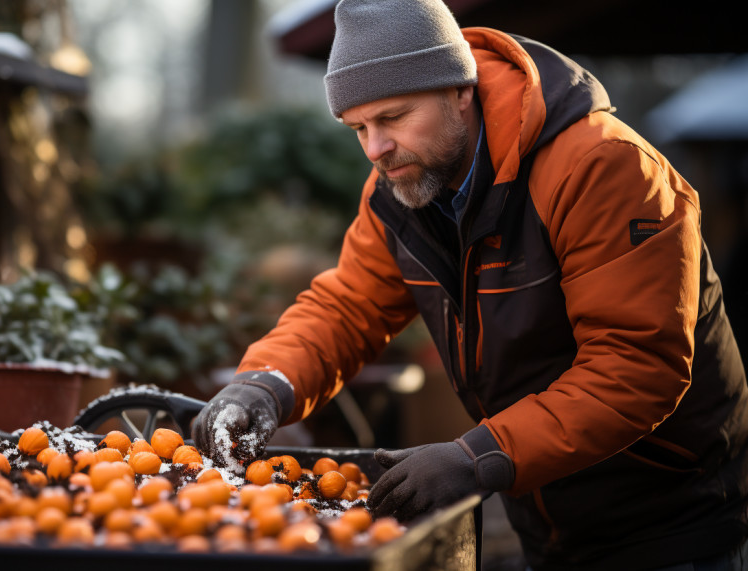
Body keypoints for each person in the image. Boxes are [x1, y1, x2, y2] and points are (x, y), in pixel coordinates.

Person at [191, 0, 748, 569]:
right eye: (358, 128)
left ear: (460, 89)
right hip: (545, 515)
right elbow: (348, 306)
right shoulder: (400, 188)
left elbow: (637, 365)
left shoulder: (603, 168)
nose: (375, 149)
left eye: (393, 117)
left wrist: (476, 457)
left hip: (672, 520)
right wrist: (265, 384)